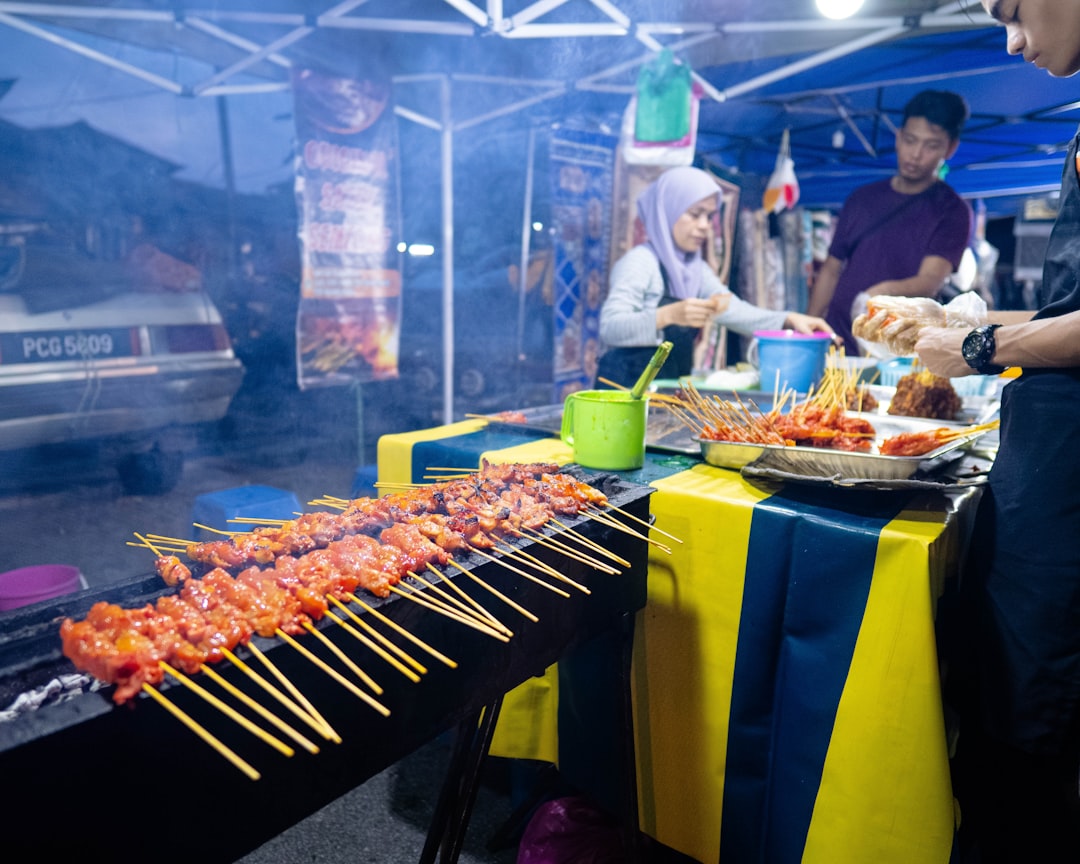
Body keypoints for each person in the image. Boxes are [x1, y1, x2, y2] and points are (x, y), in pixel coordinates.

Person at [910, 3, 1080, 860]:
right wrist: (949, 323)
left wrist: (978, 345)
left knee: (1031, 718)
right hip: (1045, 465)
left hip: (1067, 485)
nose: (1011, 43)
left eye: (1012, 10)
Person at [597, 166, 832, 387]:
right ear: (667, 211)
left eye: (709, 217)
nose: (704, 226)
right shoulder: (640, 262)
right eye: (695, 214)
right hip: (622, 392)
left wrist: (789, 319)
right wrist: (667, 315)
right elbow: (610, 327)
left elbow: (734, 310)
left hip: (663, 388)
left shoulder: (695, 269)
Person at [808, 90, 973, 354]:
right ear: (898, 138)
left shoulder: (952, 211)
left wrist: (881, 293)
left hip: (895, 351)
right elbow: (830, 269)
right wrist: (811, 328)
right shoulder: (861, 199)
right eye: (910, 140)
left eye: (931, 145)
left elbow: (930, 280)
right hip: (837, 342)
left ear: (950, 148)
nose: (916, 154)